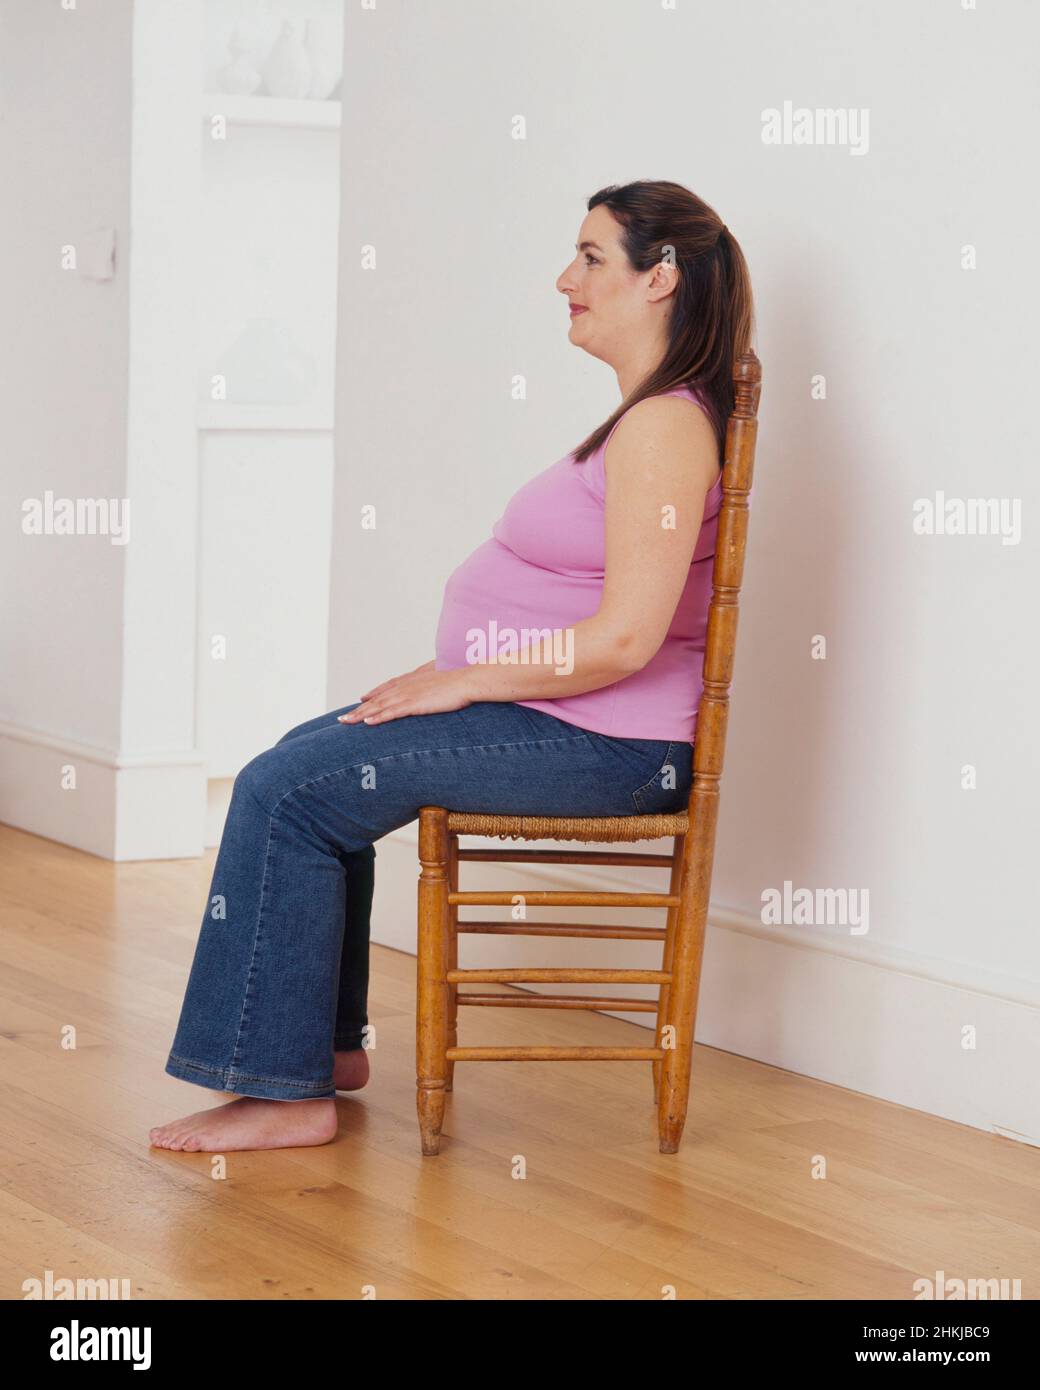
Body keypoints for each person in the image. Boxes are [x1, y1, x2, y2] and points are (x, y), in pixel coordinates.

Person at [150, 179, 755, 1153]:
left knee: (287, 787)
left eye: (592, 258)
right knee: (309, 756)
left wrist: (464, 678)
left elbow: (623, 639)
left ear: (661, 278)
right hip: (575, 724)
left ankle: (283, 1090)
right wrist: (447, 671)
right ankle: (319, 1050)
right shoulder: (648, 417)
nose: (567, 279)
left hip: (612, 744)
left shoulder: (664, 428)